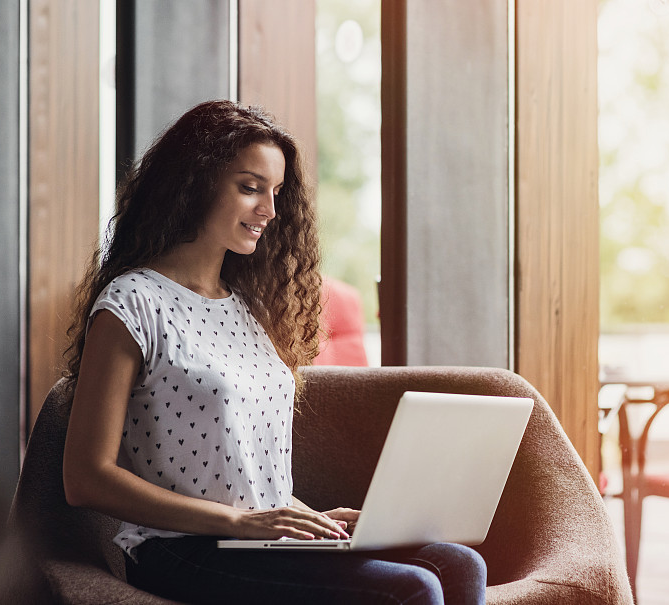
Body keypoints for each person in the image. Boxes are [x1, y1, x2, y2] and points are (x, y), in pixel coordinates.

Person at [62, 100, 487, 604]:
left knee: (460, 563)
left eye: (276, 191)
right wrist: (242, 521)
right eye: (250, 187)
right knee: (413, 588)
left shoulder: (244, 308)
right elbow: (86, 478)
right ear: (194, 182)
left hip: (256, 539)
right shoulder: (132, 303)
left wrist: (304, 518)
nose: (270, 209)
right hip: (181, 549)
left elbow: (245, 471)